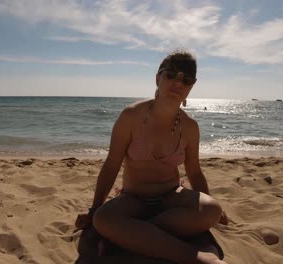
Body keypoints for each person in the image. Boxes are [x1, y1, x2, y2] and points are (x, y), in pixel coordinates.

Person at [75, 50, 229, 264]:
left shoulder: (190, 127)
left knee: (212, 209)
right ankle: (197, 258)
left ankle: (129, 237)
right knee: (102, 218)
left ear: (192, 86)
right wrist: (94, 208)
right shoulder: (131, 116)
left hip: (171, 199)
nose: (178, 82)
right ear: (158, 77)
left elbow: (194, 171)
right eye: (171, 74)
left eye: (187, 79)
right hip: (133, 200)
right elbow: (112, 165)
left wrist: (209, 203)